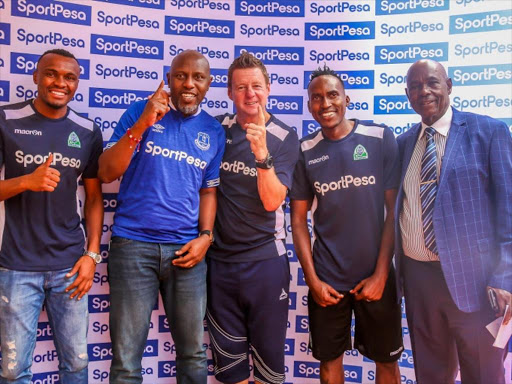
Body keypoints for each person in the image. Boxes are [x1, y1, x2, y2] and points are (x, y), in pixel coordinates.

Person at [98, 50, 225, 384]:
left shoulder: (213, 130)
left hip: (186, 252)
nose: (188, 84)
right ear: (168, 79)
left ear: (208, 84)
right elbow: (106, 171)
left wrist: (206, 237)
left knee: (193, 354)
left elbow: (208, 191)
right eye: (181, 75)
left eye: (198, 77)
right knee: (126, 361)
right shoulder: (140, 111)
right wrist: (143, 124)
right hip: (133, 247)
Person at [395, 59, 512, 383]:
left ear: (449, 85)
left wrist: (504, 276)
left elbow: (509, 211)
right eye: (415, 86)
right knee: (431, 376)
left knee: (484, 375)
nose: (424, 91)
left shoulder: (488, 132)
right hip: (419, 283)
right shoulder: (403, 144)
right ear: (407, 94)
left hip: (476, 284)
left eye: (432, 82)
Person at [290, 66, 403, 384]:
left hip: (377, 277)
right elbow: (297, 222)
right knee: (329, 366)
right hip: (327, 281)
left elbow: (394, 211)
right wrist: (313, 281)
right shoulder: (305, 151)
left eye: (332, 95)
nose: (324, 103)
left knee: (387, 364)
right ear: (310, 104)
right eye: (316, 97)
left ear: (346, 99)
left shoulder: (379, 138)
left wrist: (381, 274)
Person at [0, 48, 104, 384]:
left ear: (77, 83)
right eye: (51, 74)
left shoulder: (87, 130)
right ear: (36, 76)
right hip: (15, 266)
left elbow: (94, 197)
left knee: (76, 365)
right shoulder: (6, 119)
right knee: (14, 372)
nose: (60, 82)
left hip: (70, 266)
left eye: (69, 77)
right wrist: (26, 181)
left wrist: (91, 254)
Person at [205, 52, 299, 384]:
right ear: (229, 92)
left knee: (268, 372)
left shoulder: (285, 137)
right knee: (231, 373)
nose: (250, 95)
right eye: (241, 87)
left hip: (265, 266)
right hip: (220, 267)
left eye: (256, 86)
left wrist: (262, 154)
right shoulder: (216, 129)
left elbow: (273, 200)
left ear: (269, 88)